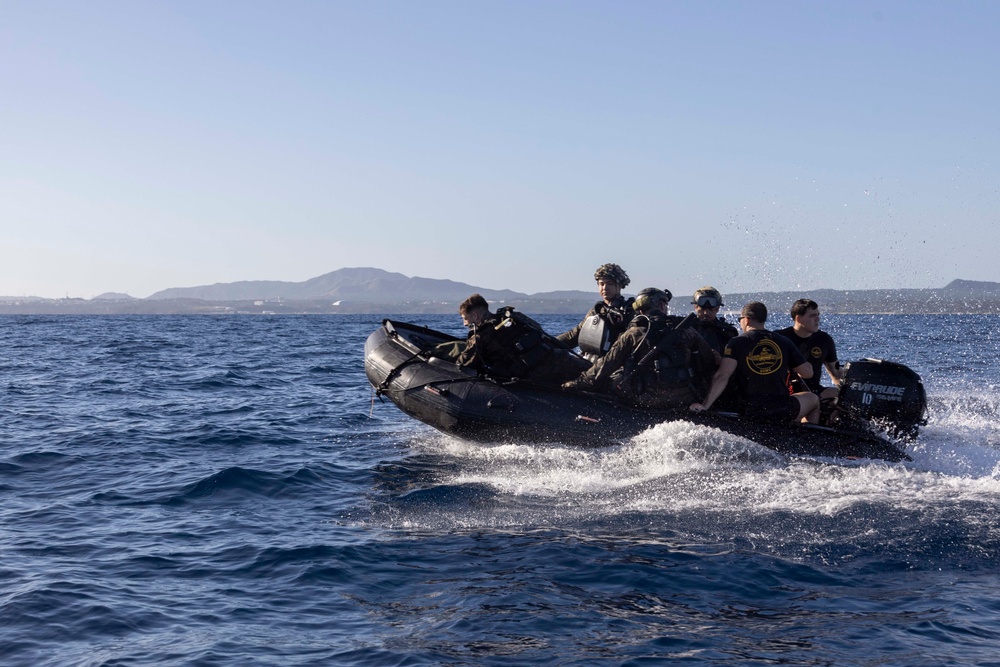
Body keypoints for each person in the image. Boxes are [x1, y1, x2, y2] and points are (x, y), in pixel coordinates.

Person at [562, 287, 715, 409]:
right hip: (684, 399)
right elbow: (709, 362)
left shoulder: (633, 333)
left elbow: (605, 366)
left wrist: (575, 384)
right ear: (662, 305)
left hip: (646, 400)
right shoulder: (688, 331)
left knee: (615, 379)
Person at [689, 301, 820, 423]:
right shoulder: (784, 341)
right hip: (781, 409)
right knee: (813, 399)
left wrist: (705, 405)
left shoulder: (736, 342)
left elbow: (722, 376)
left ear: (746, 320)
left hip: (749, 409)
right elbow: (807, 373)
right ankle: (808, 438)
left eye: (740, 320)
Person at [456, 293, 589, 385]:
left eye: (465, 319)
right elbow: (539, 330)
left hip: (538, 373)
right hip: (558, 357)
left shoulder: (481, 336)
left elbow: (464, 363)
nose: (465, 324)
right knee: (596, 376)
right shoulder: (514, 317)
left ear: (475, 315)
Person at [556, 263, 636, 362]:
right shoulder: (596, 311)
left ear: (619, 285)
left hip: (611, 367)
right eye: (601, 284)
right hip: (588, 363)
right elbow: (575, 335)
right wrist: (549, 343)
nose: (605, 288)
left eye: (609, 283)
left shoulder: (628, 312)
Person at [775, 299, 844, 405]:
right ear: (799, 319)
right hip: (785, 393)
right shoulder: (779, 338)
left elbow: (836, 374)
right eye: (812, 316)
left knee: (841, 395)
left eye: (818, 315)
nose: (817, 319)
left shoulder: (824, 340)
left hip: (814, 391)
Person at [689, 286, 739, 367]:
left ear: (717, 309)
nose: (706, 313)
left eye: (710, 310)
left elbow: (737, 361)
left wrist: (722, 361)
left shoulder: (726, 332)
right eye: (702, 309)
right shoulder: (687, 330)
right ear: (695, 307)